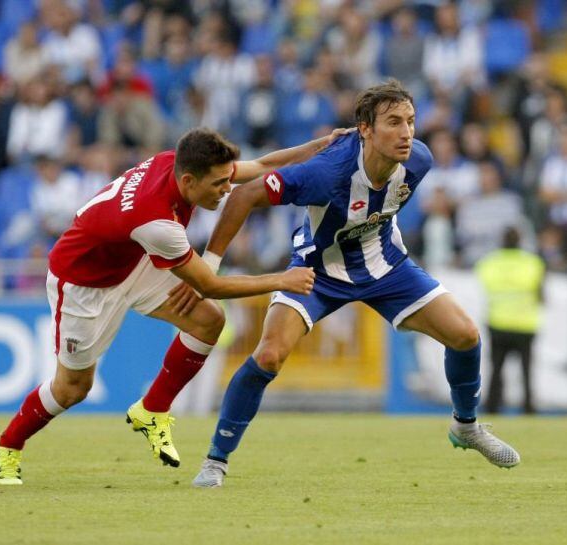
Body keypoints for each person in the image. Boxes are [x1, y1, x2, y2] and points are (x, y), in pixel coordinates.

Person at [192, 80, 521, 488]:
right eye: (393, 122)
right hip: (318, 272)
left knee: (466, 335)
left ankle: (465, 426)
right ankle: (216, 460)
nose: (406, 132)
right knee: (270, 354)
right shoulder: (326, 172)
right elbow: (244, 196)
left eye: (410, 121)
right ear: (365, 129)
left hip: (385, 266)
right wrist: (209, 266)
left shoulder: (419, 160)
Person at [0, 127, 354, 485]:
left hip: (132, 260)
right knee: (72, 388)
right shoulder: (158, 223)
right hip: (83, 284)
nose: (227, 190)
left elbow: (260, 166)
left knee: (208, 321)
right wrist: (281, 280)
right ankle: (7, 446)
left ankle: (152, 409)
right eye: (218, 184)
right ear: (189, 181)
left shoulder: (177, 163)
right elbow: (210, 285)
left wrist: (320, 145)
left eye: (226, 180)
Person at [476, 227, 545, 414]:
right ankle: (528, 407)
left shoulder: (490, 262)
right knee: (526, 369)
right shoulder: (533, 262)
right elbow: (541, 293)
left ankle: (493, 406)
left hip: (498, 321)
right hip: (525, 323)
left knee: (496, 368)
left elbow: (485, 285)